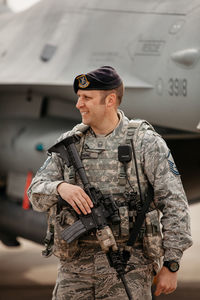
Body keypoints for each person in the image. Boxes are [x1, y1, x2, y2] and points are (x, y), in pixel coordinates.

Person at [28, 66, 192, 300]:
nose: (79, 104)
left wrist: (172, 263)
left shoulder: (145, 143)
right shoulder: (70, 143)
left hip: (128, 265)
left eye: (87, 98)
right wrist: (60, 188)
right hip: (75, 268)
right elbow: (34, 193)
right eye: (79, 97)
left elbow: (174, 203)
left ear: (110, 100)